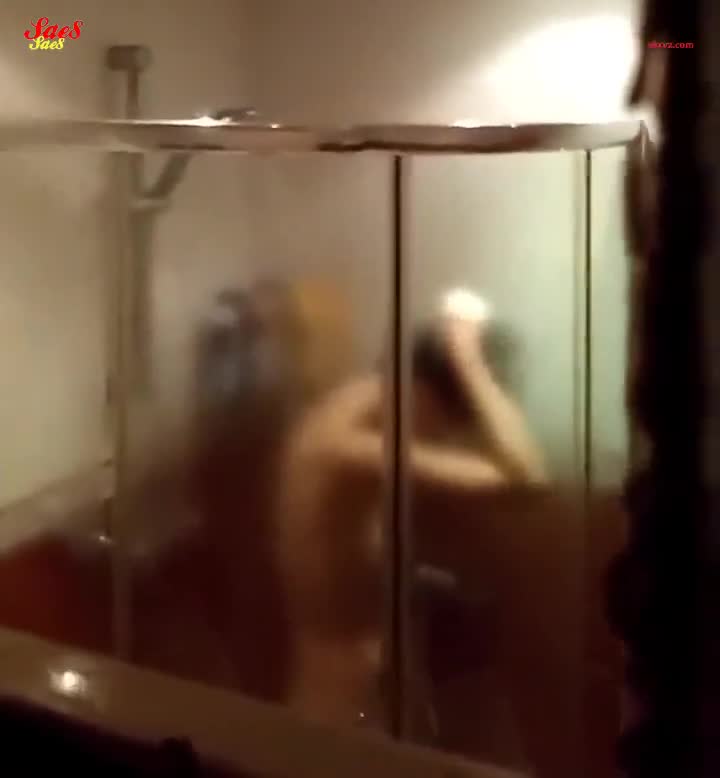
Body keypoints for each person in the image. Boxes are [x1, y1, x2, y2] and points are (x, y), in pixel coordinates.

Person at [272, 291, 586, 776]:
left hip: (372, 698)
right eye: (445, 422)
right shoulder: (342, 444)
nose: (441, 438)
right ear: (418, 392)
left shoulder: (358, 411)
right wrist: (469, 360)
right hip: (342, 715)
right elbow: (527, 476)